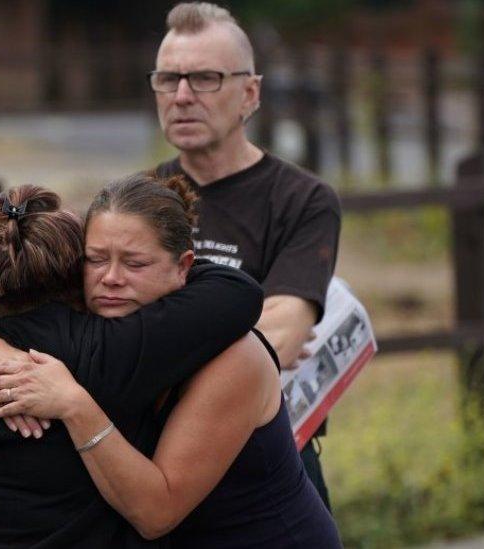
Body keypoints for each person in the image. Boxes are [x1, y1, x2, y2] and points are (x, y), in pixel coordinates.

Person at [0, 175, 341, 547]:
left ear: (183, 267)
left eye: (135, 263)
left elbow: (156, 513)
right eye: (96, 259)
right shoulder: (89, 324)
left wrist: (74, 404)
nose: (112, 278)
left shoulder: (232, 357)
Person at [146, 1, 341, 508]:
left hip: (271, 463)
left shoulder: (302, 200)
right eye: (168, 80)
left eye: (205, 78)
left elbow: (281, 333)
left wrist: (151, 344)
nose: (183, 96)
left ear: (250, 93)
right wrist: (240, 342)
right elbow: (97, 332)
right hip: (155, 461)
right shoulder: (136, 200)